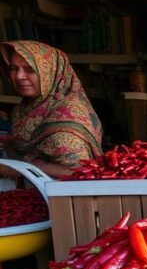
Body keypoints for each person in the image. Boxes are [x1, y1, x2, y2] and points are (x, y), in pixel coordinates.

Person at [0, 40, 102, 178]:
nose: (19, 76)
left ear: (50, 73)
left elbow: (79, 171)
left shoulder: (66, 116)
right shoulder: (25, 107)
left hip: (61, 197)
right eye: (13, 69)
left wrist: (17, 170)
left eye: (30, 69)